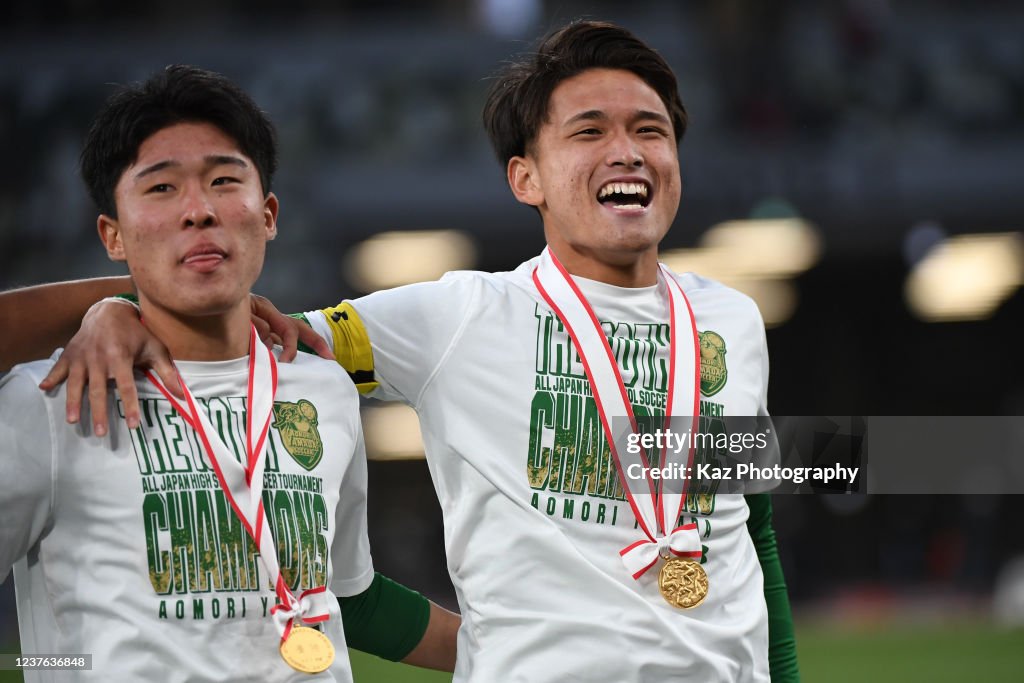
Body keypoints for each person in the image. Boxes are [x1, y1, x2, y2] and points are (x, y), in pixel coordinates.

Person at [0, 22, 799, 681]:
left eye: (649, 130)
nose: (627, 151)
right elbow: (244, 326)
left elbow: (750, 526)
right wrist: (111, 302)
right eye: (589, 131)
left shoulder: (729, 319)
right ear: (527, 177)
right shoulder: (452, 318)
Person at [0, 65, 457, 681]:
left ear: (268, 214)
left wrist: (542, 652)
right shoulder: (52, 401)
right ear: (114, 234)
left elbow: (346, 595)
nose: (199, 211)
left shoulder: (322, 388)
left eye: (223, 180)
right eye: (161, 189)